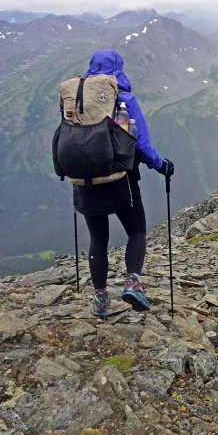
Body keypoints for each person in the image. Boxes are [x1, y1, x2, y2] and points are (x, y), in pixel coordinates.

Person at [71, 50, 174, 319]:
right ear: (118, 69)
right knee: (137, 231)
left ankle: (101, 298)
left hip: (85, 181)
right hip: (120, 178)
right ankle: (132, 283)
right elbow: (140, 143)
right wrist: (160, 165)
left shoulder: (77, 98)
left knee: (98, 240)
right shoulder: (123, 98)